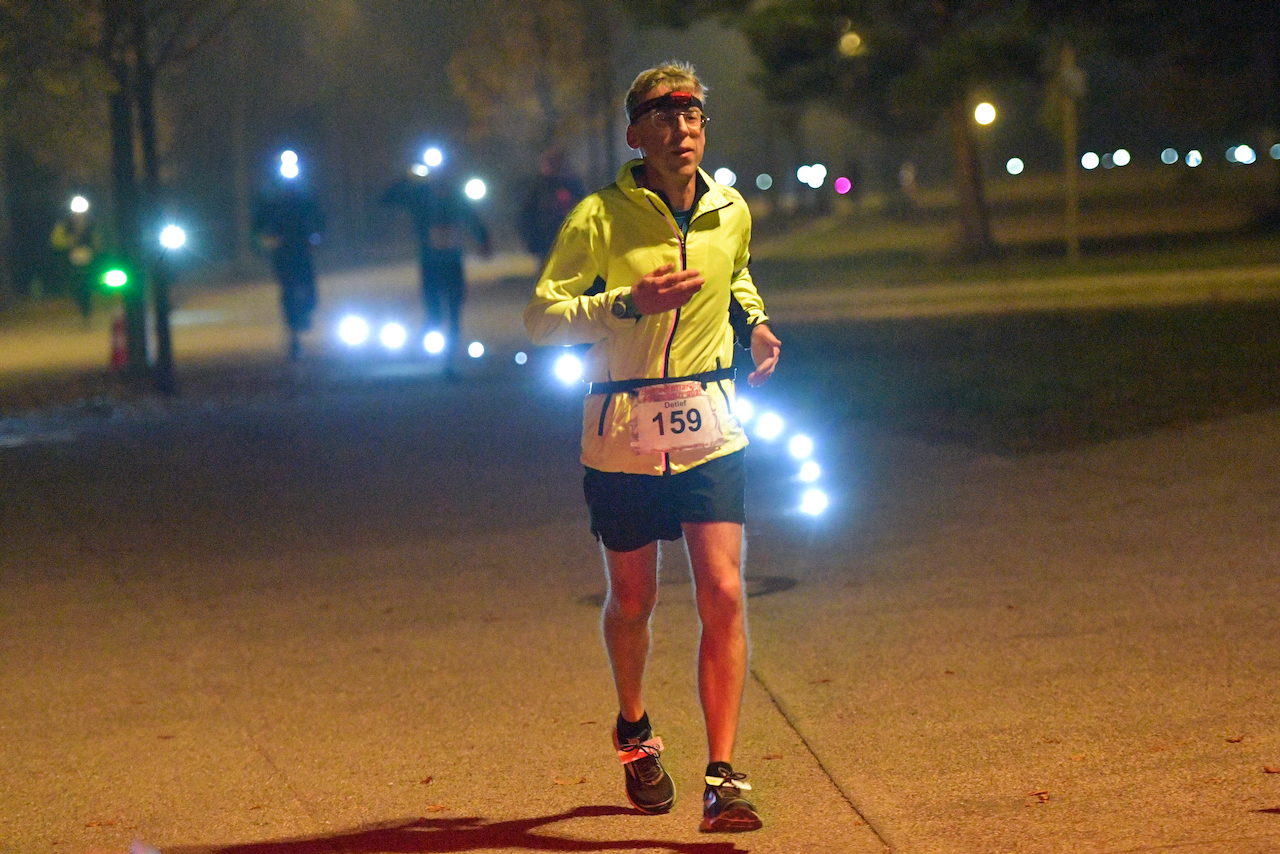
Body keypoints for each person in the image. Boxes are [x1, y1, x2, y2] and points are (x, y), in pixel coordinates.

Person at [524, 61, 781, 833]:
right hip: (622, 437)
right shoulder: (598, 219)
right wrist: (625, 302)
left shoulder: (730, 210)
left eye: (694, 117)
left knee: (724, 592)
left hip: (710, 426)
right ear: (637, 135)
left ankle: (723, 777)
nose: (683, 132)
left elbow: (735, 277)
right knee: (633, 601)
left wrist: (755, 322)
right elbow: (543, 317)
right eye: (665, 120)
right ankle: (634, 731)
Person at [381, 163, 491, 362]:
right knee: (434, 308)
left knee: (454, 308)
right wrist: (407, 179)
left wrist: (483, 241)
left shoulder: (457, 200)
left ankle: (450, 354)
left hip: (452, 262)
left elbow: (473, 220)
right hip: (430, 263)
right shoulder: (420, 199)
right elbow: (387, 200)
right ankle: (434, 336)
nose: (441, 188)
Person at [253, 178, 325, 360]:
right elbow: (259, 221)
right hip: (283, 252)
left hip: (302, 249)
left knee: (308, 287)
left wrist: (317, 236)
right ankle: (293, 334)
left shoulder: (305, 195)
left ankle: (306, 312)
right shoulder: (271, 198)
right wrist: (267, 238)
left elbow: (319, 216)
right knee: (288, 290)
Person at [520, 147, 585, 265]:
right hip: (547, 241)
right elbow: (528, 216)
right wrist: (533, 241)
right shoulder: (539, 187)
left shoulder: (573, 185)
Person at [49, 197, 101, 322]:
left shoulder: (90, 224)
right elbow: (56, 240)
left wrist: (91, 249)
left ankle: (87, 313)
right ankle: (83, 310)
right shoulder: (64, 225)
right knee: (76, 288)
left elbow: (97, 241)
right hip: (71, 263)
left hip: (87, 262)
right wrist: (69, 242)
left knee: (87, 287)